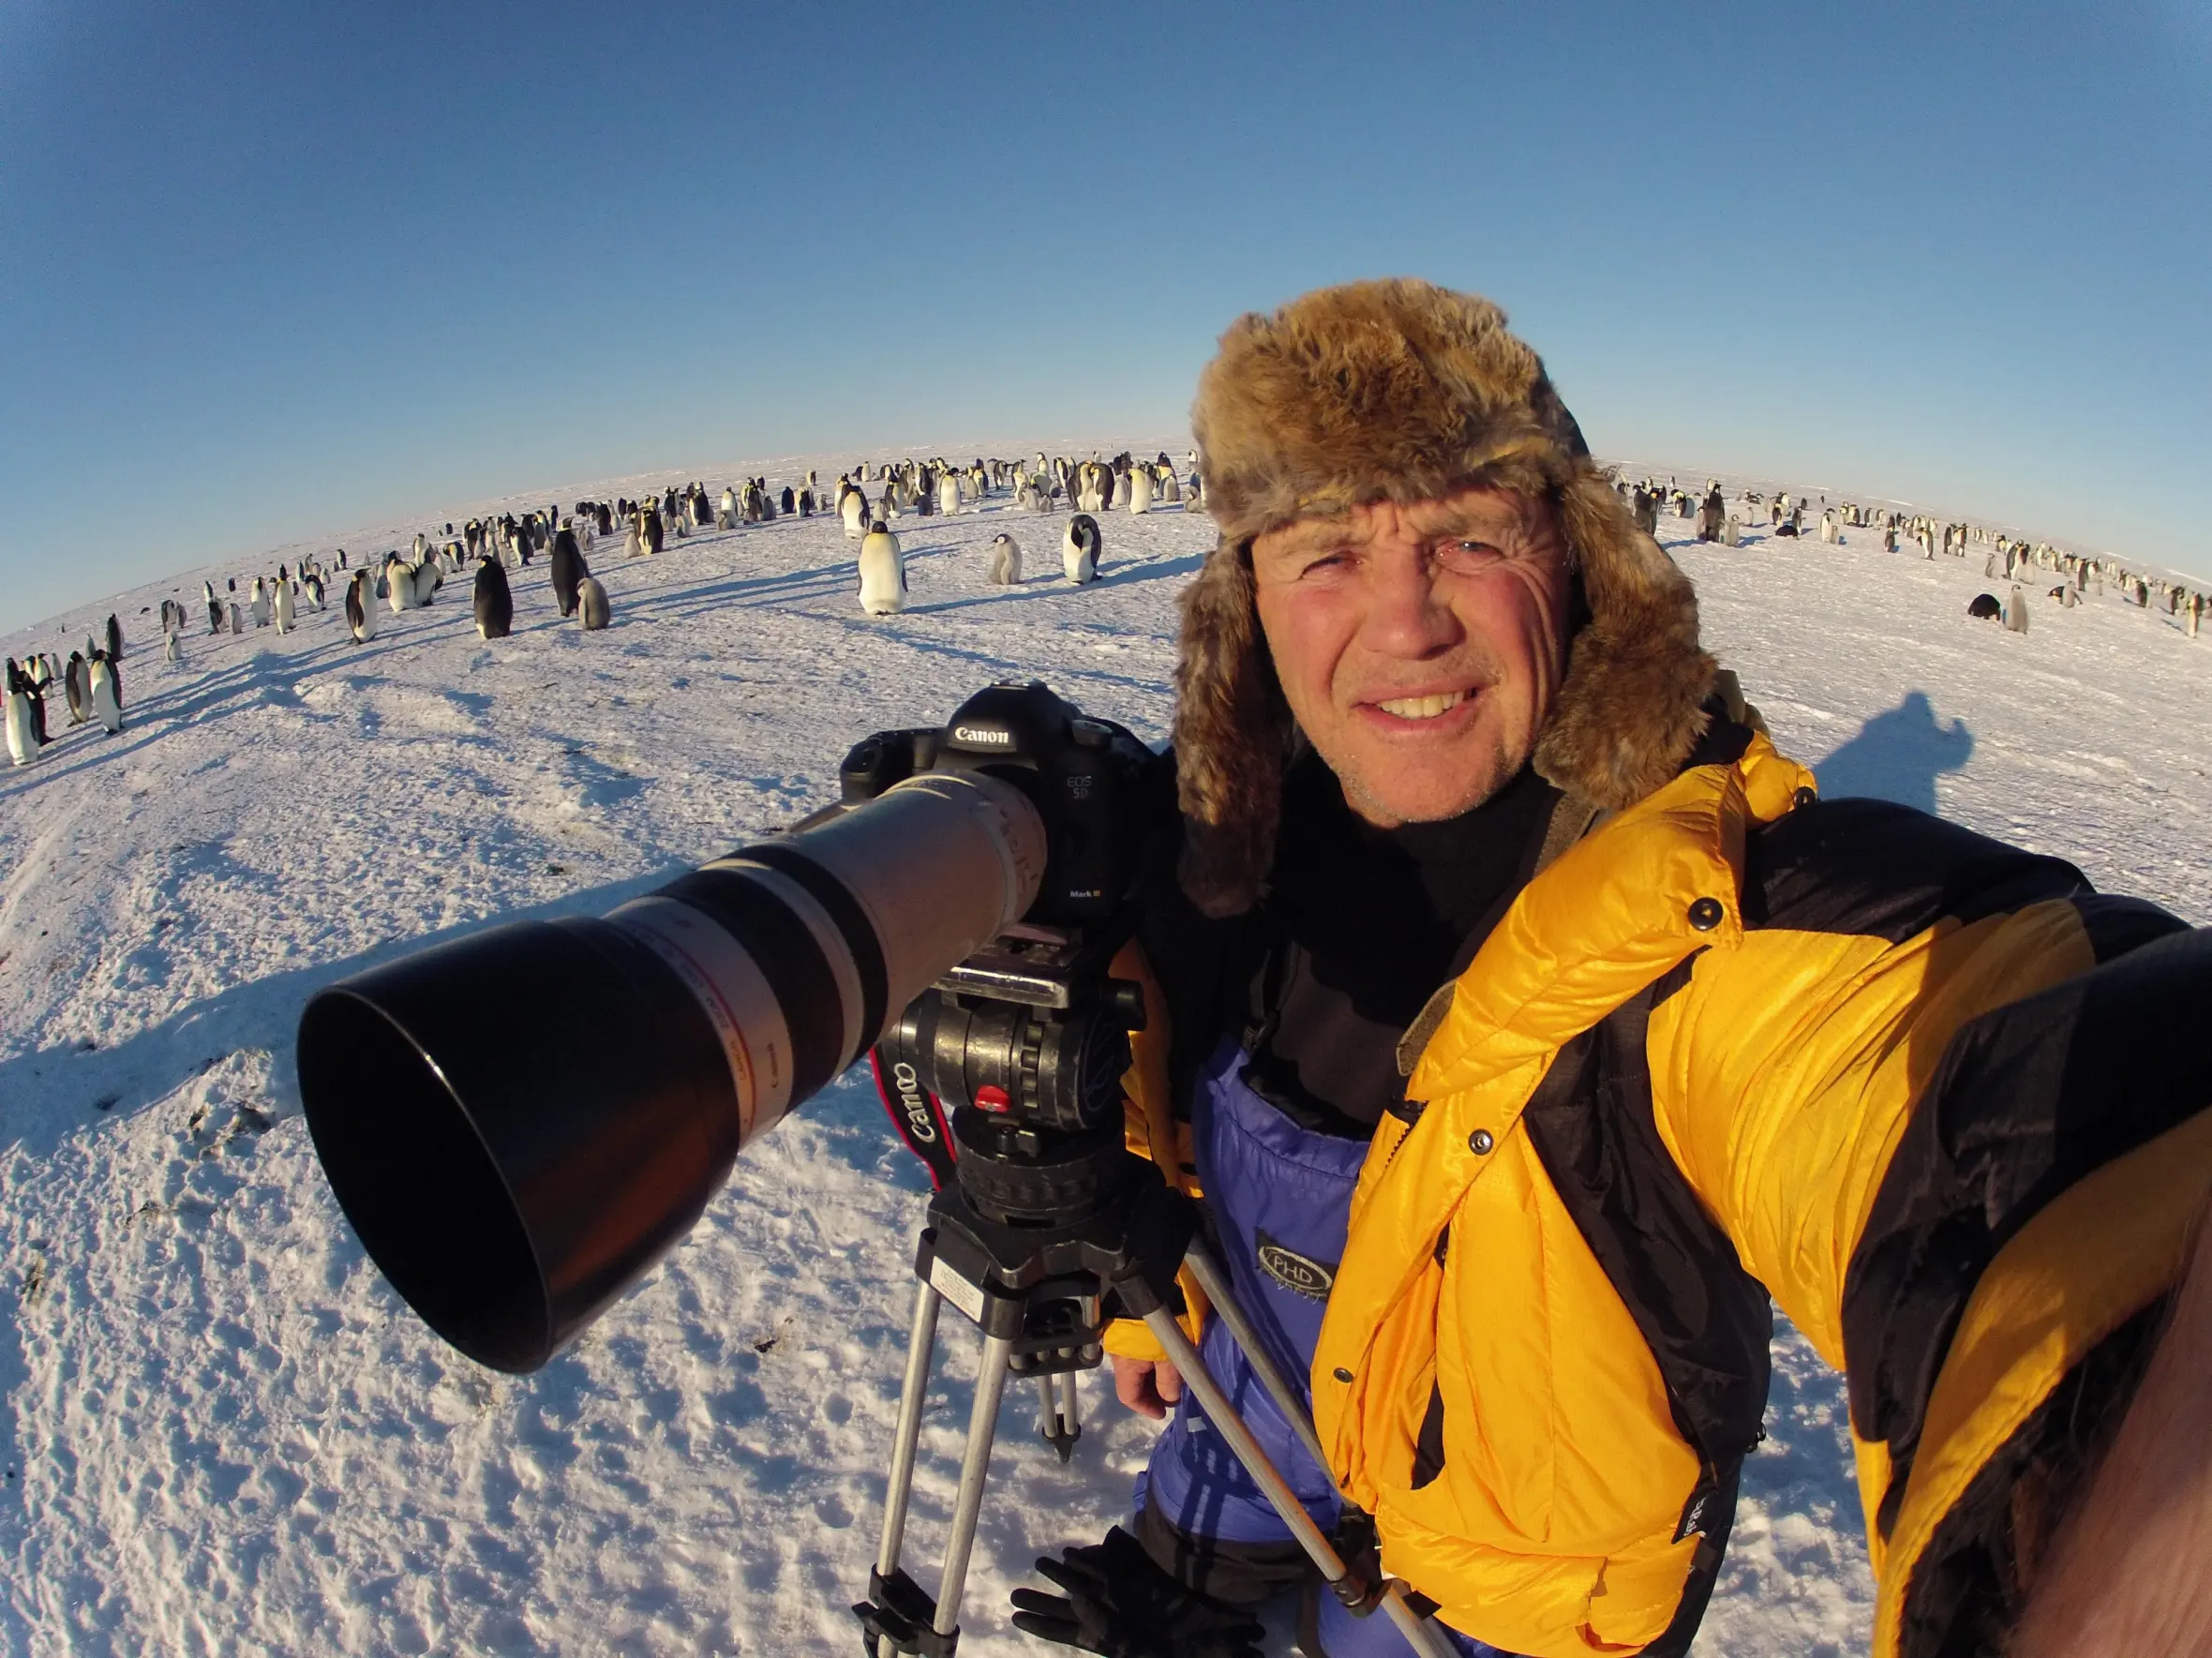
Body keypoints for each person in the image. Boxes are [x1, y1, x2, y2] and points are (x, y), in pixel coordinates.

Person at [1008, 280, 2212, 1658]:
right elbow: (1120, 1092)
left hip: (1509, 1582)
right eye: (1327, 551)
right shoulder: (1211, 850)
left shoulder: (1708, 916)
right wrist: (1136, 1317)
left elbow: (1988, 1081)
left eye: (1469, 533)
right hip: (1256, 1388)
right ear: (1248, 607)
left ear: (1578, 559)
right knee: (1196, 1539)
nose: (1407, 624)